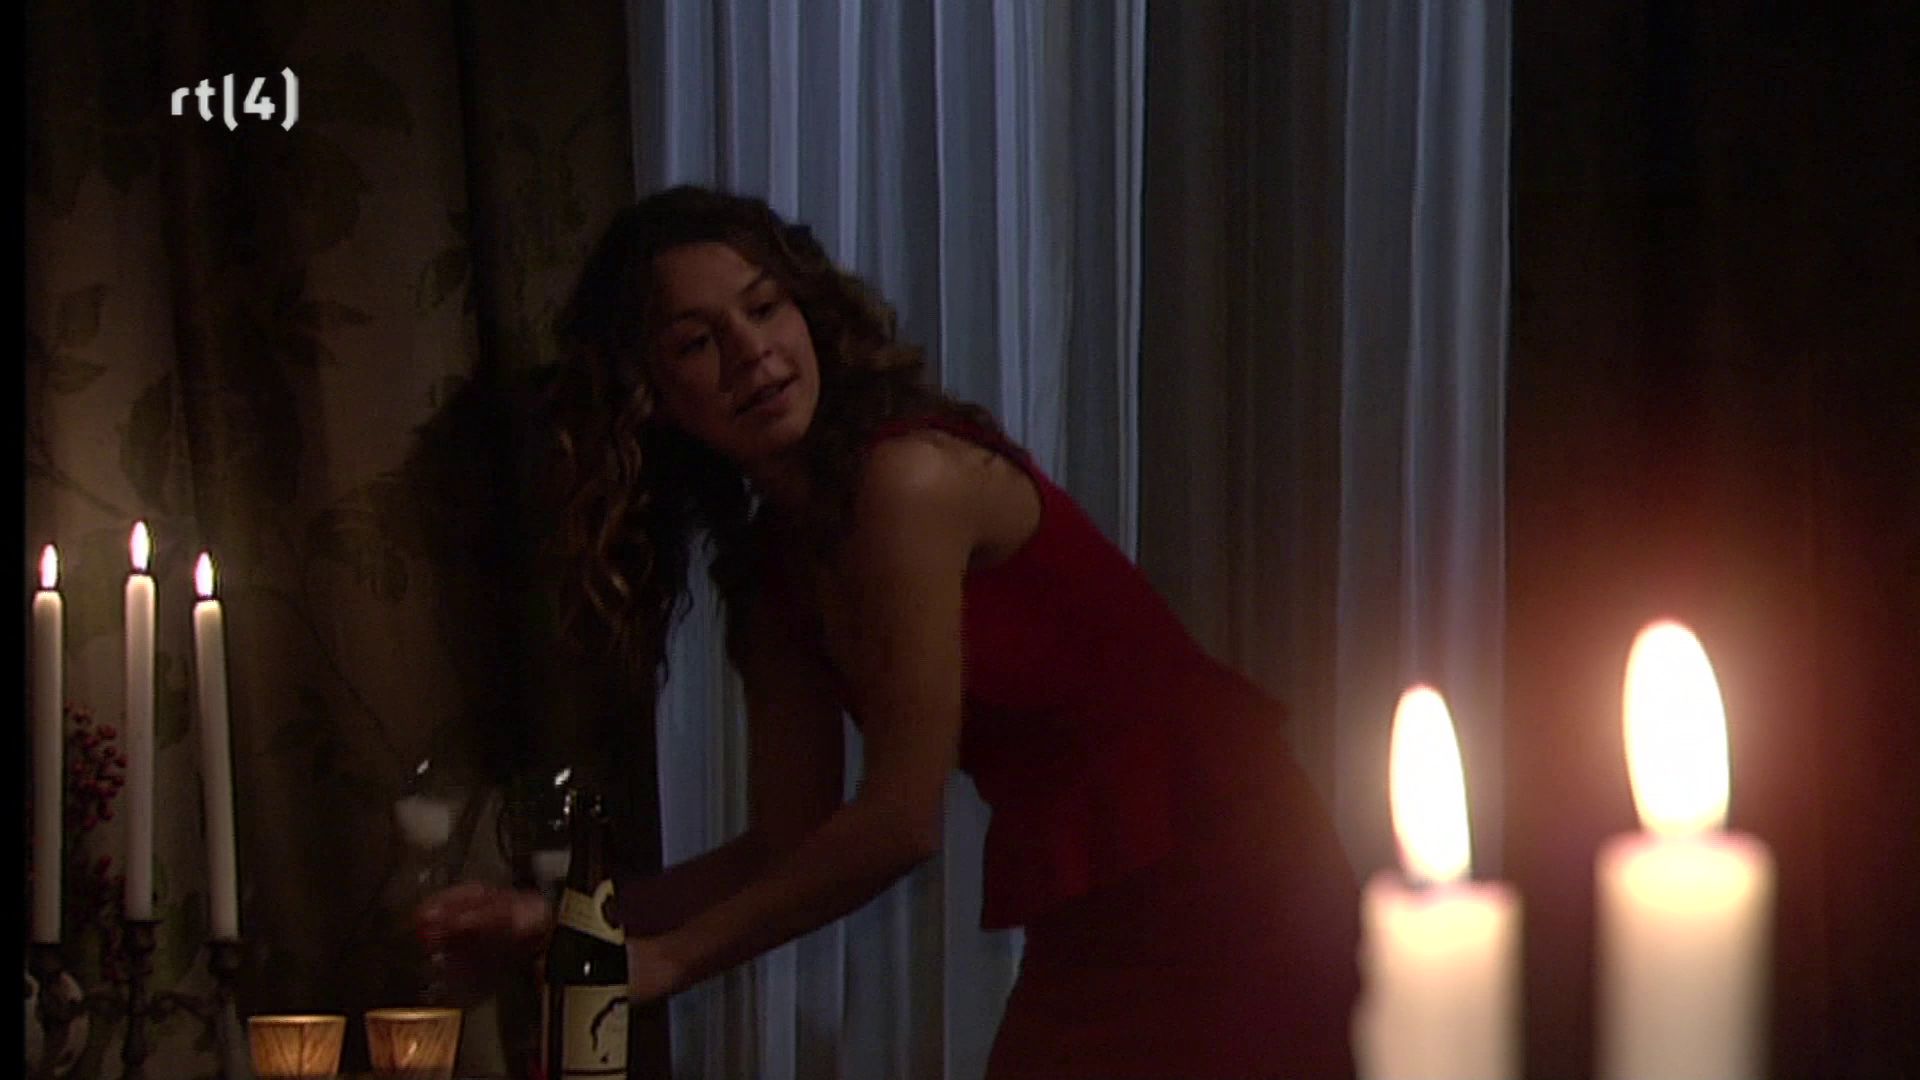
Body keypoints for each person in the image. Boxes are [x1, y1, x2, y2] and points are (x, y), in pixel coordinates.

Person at [415, 185, 1361, 1078]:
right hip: (1099, 908)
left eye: (766, 307)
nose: (753, 353)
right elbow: (784, 843)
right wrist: (561, 919)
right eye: (698, 341)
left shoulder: (907, 480)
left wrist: (669, 961)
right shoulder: (772, 571)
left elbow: (900, 821)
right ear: (650, 394)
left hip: (1233, 875)